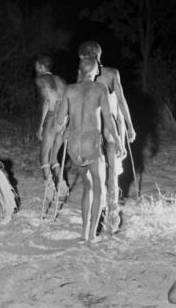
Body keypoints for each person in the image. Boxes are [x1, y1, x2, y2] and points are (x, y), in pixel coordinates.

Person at [57, 57, 125, 242]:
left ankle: (83, 232)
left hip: (73, 146)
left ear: (80, 70)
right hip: (91, 145)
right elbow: (108, 119)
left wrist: (63, 129)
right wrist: (118, 140)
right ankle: (92, 236)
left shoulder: (69, 89)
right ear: (95, 72)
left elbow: (60, 120)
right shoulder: (99, 89)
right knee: (98, 188)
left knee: (87, 187)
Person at [78, 41, 136, 233]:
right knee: (110, 173)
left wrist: (128, 125)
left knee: (97, 174)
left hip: (96, 128)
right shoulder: (111, 73)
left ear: (84, 57)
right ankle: (110, 218)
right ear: (99, 55)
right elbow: (121, 100)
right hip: (107, 127)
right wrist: (129, 125)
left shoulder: (83, 74)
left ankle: (102, 219)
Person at [34, 54, 68, 198]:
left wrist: (41, 125)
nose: (35, 68)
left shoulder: (41, 79)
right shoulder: (60, 79)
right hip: (65, 118)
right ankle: (62, 185)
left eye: (36, 66)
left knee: (44, 156)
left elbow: (47, 101)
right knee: (54, 158)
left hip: (52, 117)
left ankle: (50, 188)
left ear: (42, 66)